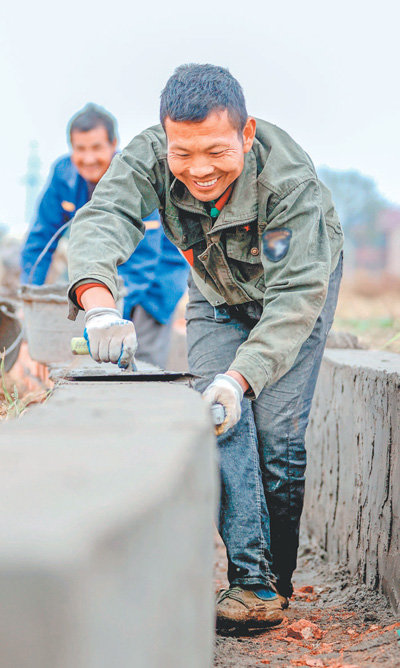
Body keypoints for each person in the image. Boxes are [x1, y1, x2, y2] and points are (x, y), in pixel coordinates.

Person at [67, 65, 343, 630]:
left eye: (216, 152)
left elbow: (292, 302)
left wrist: (240, 377)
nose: (199, 171)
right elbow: (106, 217)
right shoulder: (150, 155)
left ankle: (279, 578)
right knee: (221, 421)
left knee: (276, 432)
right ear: (165, 137)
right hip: (216, 292)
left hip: (293, 293)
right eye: (182, 154)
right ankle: (251, 584)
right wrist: (97, 304)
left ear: (246, 134)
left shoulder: (291, 187)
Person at [20, 103, 189, 367]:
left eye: (97, 148)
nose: (88, 159)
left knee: (141, 365)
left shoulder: (135, 177)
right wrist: (31, 295)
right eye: (80, 149)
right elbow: (39, 240)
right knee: (95, 355)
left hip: (155, 281)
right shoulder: (62, 177)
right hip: (107, 278)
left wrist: (105, 310)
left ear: (114, 144)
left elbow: (145, 258)